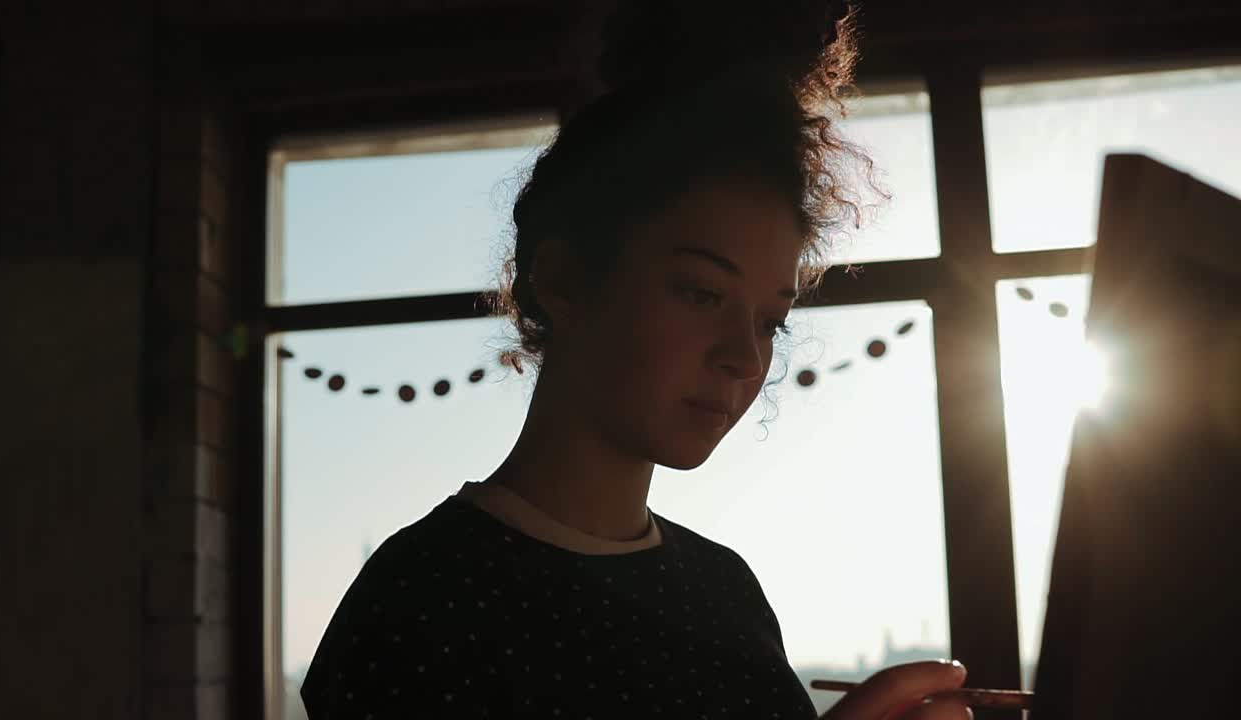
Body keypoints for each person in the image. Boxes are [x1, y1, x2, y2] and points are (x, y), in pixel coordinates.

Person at [300, 1, 974, 718]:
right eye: (699, 292)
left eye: (771, 320)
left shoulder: (725, 590)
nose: (744, 357)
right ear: (562, 280)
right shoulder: (424, 598)